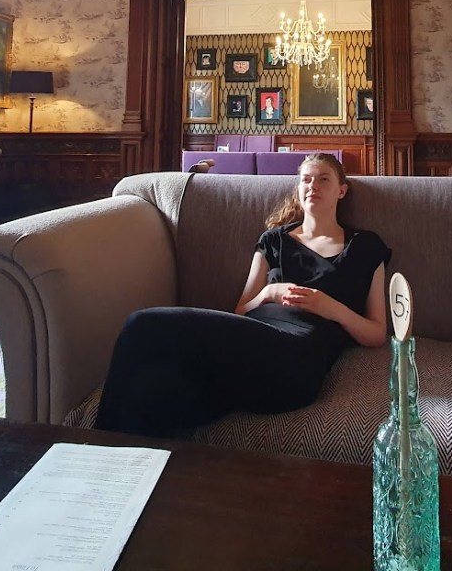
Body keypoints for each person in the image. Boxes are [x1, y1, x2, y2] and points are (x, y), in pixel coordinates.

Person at [93, 153, 391, 437]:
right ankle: (112, 478)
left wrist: (328, 306)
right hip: (249, 348)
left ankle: (89, 446)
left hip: (297, 358)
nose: (313, 186)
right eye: (306, 180)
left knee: (142, 324)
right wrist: (267, 294)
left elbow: (377, 333)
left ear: (342, 190)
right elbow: (240, 312)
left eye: (323, 179)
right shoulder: (274, 240)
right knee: (153, 394)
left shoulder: (364, 247)